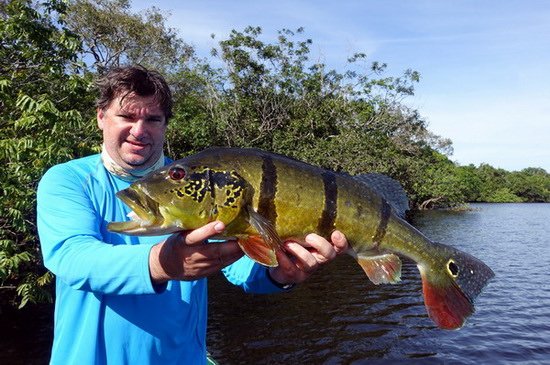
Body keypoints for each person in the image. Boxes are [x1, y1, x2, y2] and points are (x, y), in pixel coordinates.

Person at [37, 65, 349, 365]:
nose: (139, 130)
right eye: (127, 116)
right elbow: (72, 257)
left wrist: (279, 275)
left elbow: (240, 267)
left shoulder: (196, 180)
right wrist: (162, 264)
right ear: (101, 117)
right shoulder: (68, 179)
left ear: (165, 125)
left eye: (153, 119)